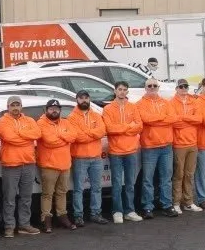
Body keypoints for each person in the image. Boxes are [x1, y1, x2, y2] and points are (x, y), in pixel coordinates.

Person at [0, 97, 43, 235]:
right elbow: (9, 137)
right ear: (8, 107)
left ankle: (24, 224)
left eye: (18, 105)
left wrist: (20, 134)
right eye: (13, 105)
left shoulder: (29, 120)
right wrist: (27, 138)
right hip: (11, 164)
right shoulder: (3, 121)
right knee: (9, 198)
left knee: (26, 197)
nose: (15, 107)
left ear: (21, 106)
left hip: (28, 163)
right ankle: (9, 226)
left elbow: (37, 134)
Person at [104, 84, 145, 221]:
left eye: (124, 90)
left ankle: (130, 210)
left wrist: (122, 129)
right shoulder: (108, 109)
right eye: (119, 89)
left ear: (127, 91)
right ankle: (117, 211)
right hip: (116, 151)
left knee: (129, 183)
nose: (122, 92)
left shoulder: (132, 107)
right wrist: (128, 127)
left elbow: (139, 126)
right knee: (116, 183)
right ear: (115, 91)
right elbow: (110, 129)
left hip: (131, 150)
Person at [135, 82, 178, 213]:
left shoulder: (166, 102)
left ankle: (167, 205)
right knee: (148, 179)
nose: (152, 88)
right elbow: (146, 119)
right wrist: (163, 119)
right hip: (149, 147)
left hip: (166, 147)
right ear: (145, 88)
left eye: (155, 86)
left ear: (158, 88)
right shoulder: (139, 104)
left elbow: (173, 118)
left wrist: (156, 121)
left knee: (166, 178)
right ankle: (148, 206)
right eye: (149, 86)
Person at [68, 90, 108, 226]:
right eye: (81, 98)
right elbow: (76, 136)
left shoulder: (96, 115)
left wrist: (88, 133)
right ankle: (78, 216)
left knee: (96, 188)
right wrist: (93, 134)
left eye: (86, 98)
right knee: (79, 189)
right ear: (77, 100)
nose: (84, 100)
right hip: (80, 158)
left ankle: (96, 213)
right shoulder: (71, 117)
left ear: (89, 99)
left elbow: (102, 131)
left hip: (96, 157)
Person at [37, 99, 75, 229]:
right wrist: (64, 137)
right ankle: (46, 218)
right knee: (48, 193)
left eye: (57, 109)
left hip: (65, 164)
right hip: (49, 165)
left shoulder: (65, 122)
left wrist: (61, 136)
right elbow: (49, 141)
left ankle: (62, 216)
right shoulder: (41, 123)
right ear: (46, 110)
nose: (54, 111)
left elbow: (73, 136)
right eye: (52, 108)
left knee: (62, 192)